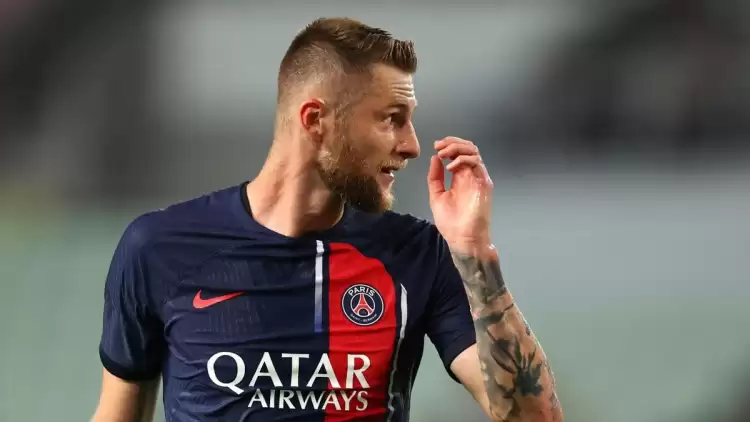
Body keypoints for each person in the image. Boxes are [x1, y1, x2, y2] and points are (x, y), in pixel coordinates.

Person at [91, 17, 563, 422]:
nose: (412, 146)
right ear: (316, 120)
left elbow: (534, 416)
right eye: (392, 118)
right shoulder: (157, 248)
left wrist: (475, 252)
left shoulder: (418, 254)